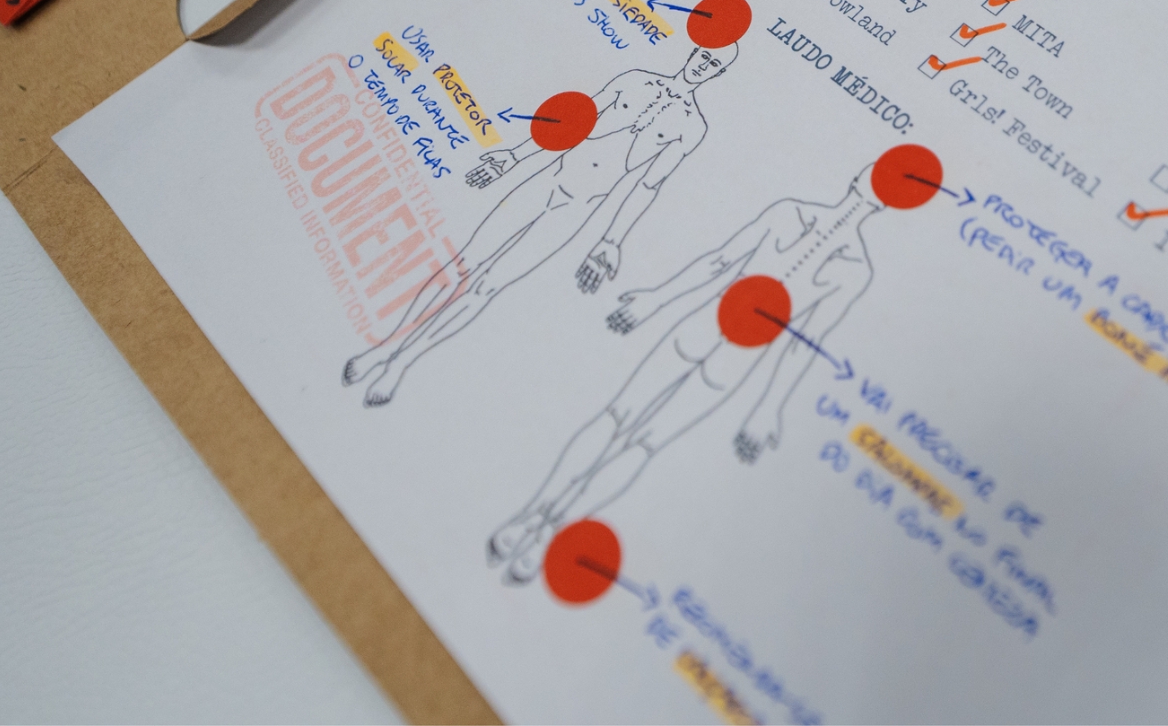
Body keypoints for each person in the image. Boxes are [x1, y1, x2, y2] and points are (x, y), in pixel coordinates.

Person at [486, 152, 935, 586]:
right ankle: (532, 517)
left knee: (642, 440)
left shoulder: (851, 268)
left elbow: (802, 343)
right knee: (621, 421)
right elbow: (720, 262)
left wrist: (768, 408)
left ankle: (549, 531)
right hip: (704, 330)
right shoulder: (793, 216)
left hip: (735, 359)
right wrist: (654, 299)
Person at [340, 40, 737, 406]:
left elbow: (648, 185)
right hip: (547, 179)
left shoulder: (691, 127)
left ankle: (400, 364)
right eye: (704, 55)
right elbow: (574, 120)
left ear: (719, 74)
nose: (704, 65)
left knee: (487, 287)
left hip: (578, 209)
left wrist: (612, 241)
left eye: (714, 65)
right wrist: (513, 157)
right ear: (694, 50)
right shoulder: (635, 81)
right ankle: (383, 348)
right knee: (462, 265)